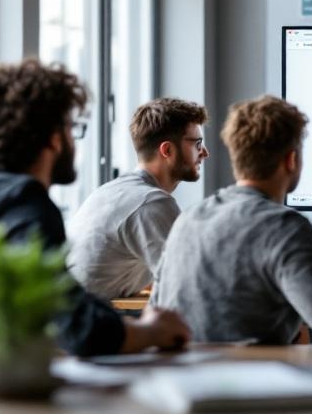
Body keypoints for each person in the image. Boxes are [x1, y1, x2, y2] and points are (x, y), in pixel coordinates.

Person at [0, 59, 191, 356]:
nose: (73, 140)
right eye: (71, 127)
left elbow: (64, 301)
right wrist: (152, 331)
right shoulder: (23, 202)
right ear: (53, 138)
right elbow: (78, 330)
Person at [151, 95, 312, 353]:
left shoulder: (189, 218)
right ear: (292, 160)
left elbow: (156, 316)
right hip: (250, 386)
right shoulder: (284, 227)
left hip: (182, 382)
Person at [67, 98, 208, 299]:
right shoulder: (151, 202)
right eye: (198, 143)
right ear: (167, 150)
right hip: (91, 321)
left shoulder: (113, 191)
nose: (204, 152)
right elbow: (190, 282)